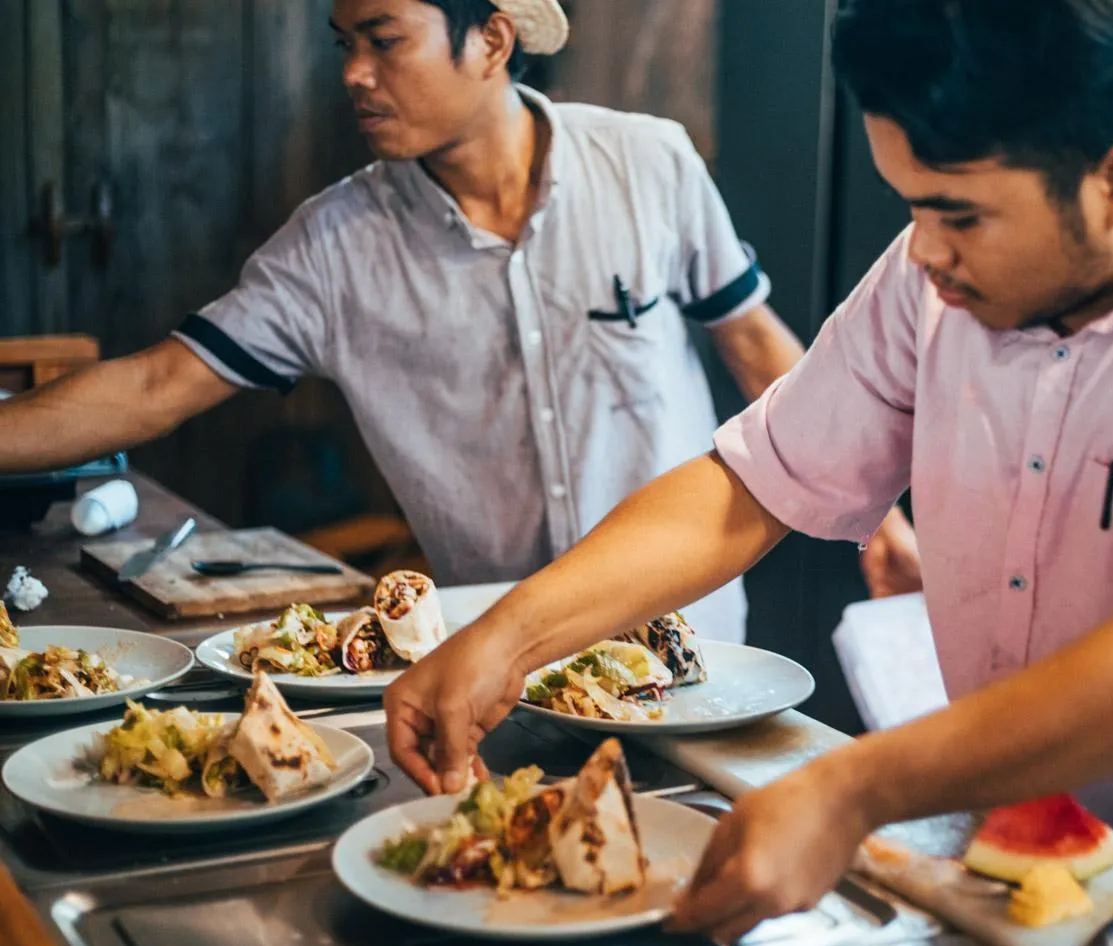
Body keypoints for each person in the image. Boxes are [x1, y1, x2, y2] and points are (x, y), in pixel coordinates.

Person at [382, 0, 1113, 946]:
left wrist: (851, 789)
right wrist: (506, 637)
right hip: (985, 892)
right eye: (913, 206)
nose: (925, 251)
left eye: (959, 215)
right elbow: (747, 486)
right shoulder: (933, 281)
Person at [0, 0, 918, 638]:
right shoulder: (333, 247)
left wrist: (880, 522)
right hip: (497, 654)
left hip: (693, 636)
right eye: (343, 44)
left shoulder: (651, 164)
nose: (354, 74)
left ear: (491, 39)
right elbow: (156, 384)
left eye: (384, 41)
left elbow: (754, 345)